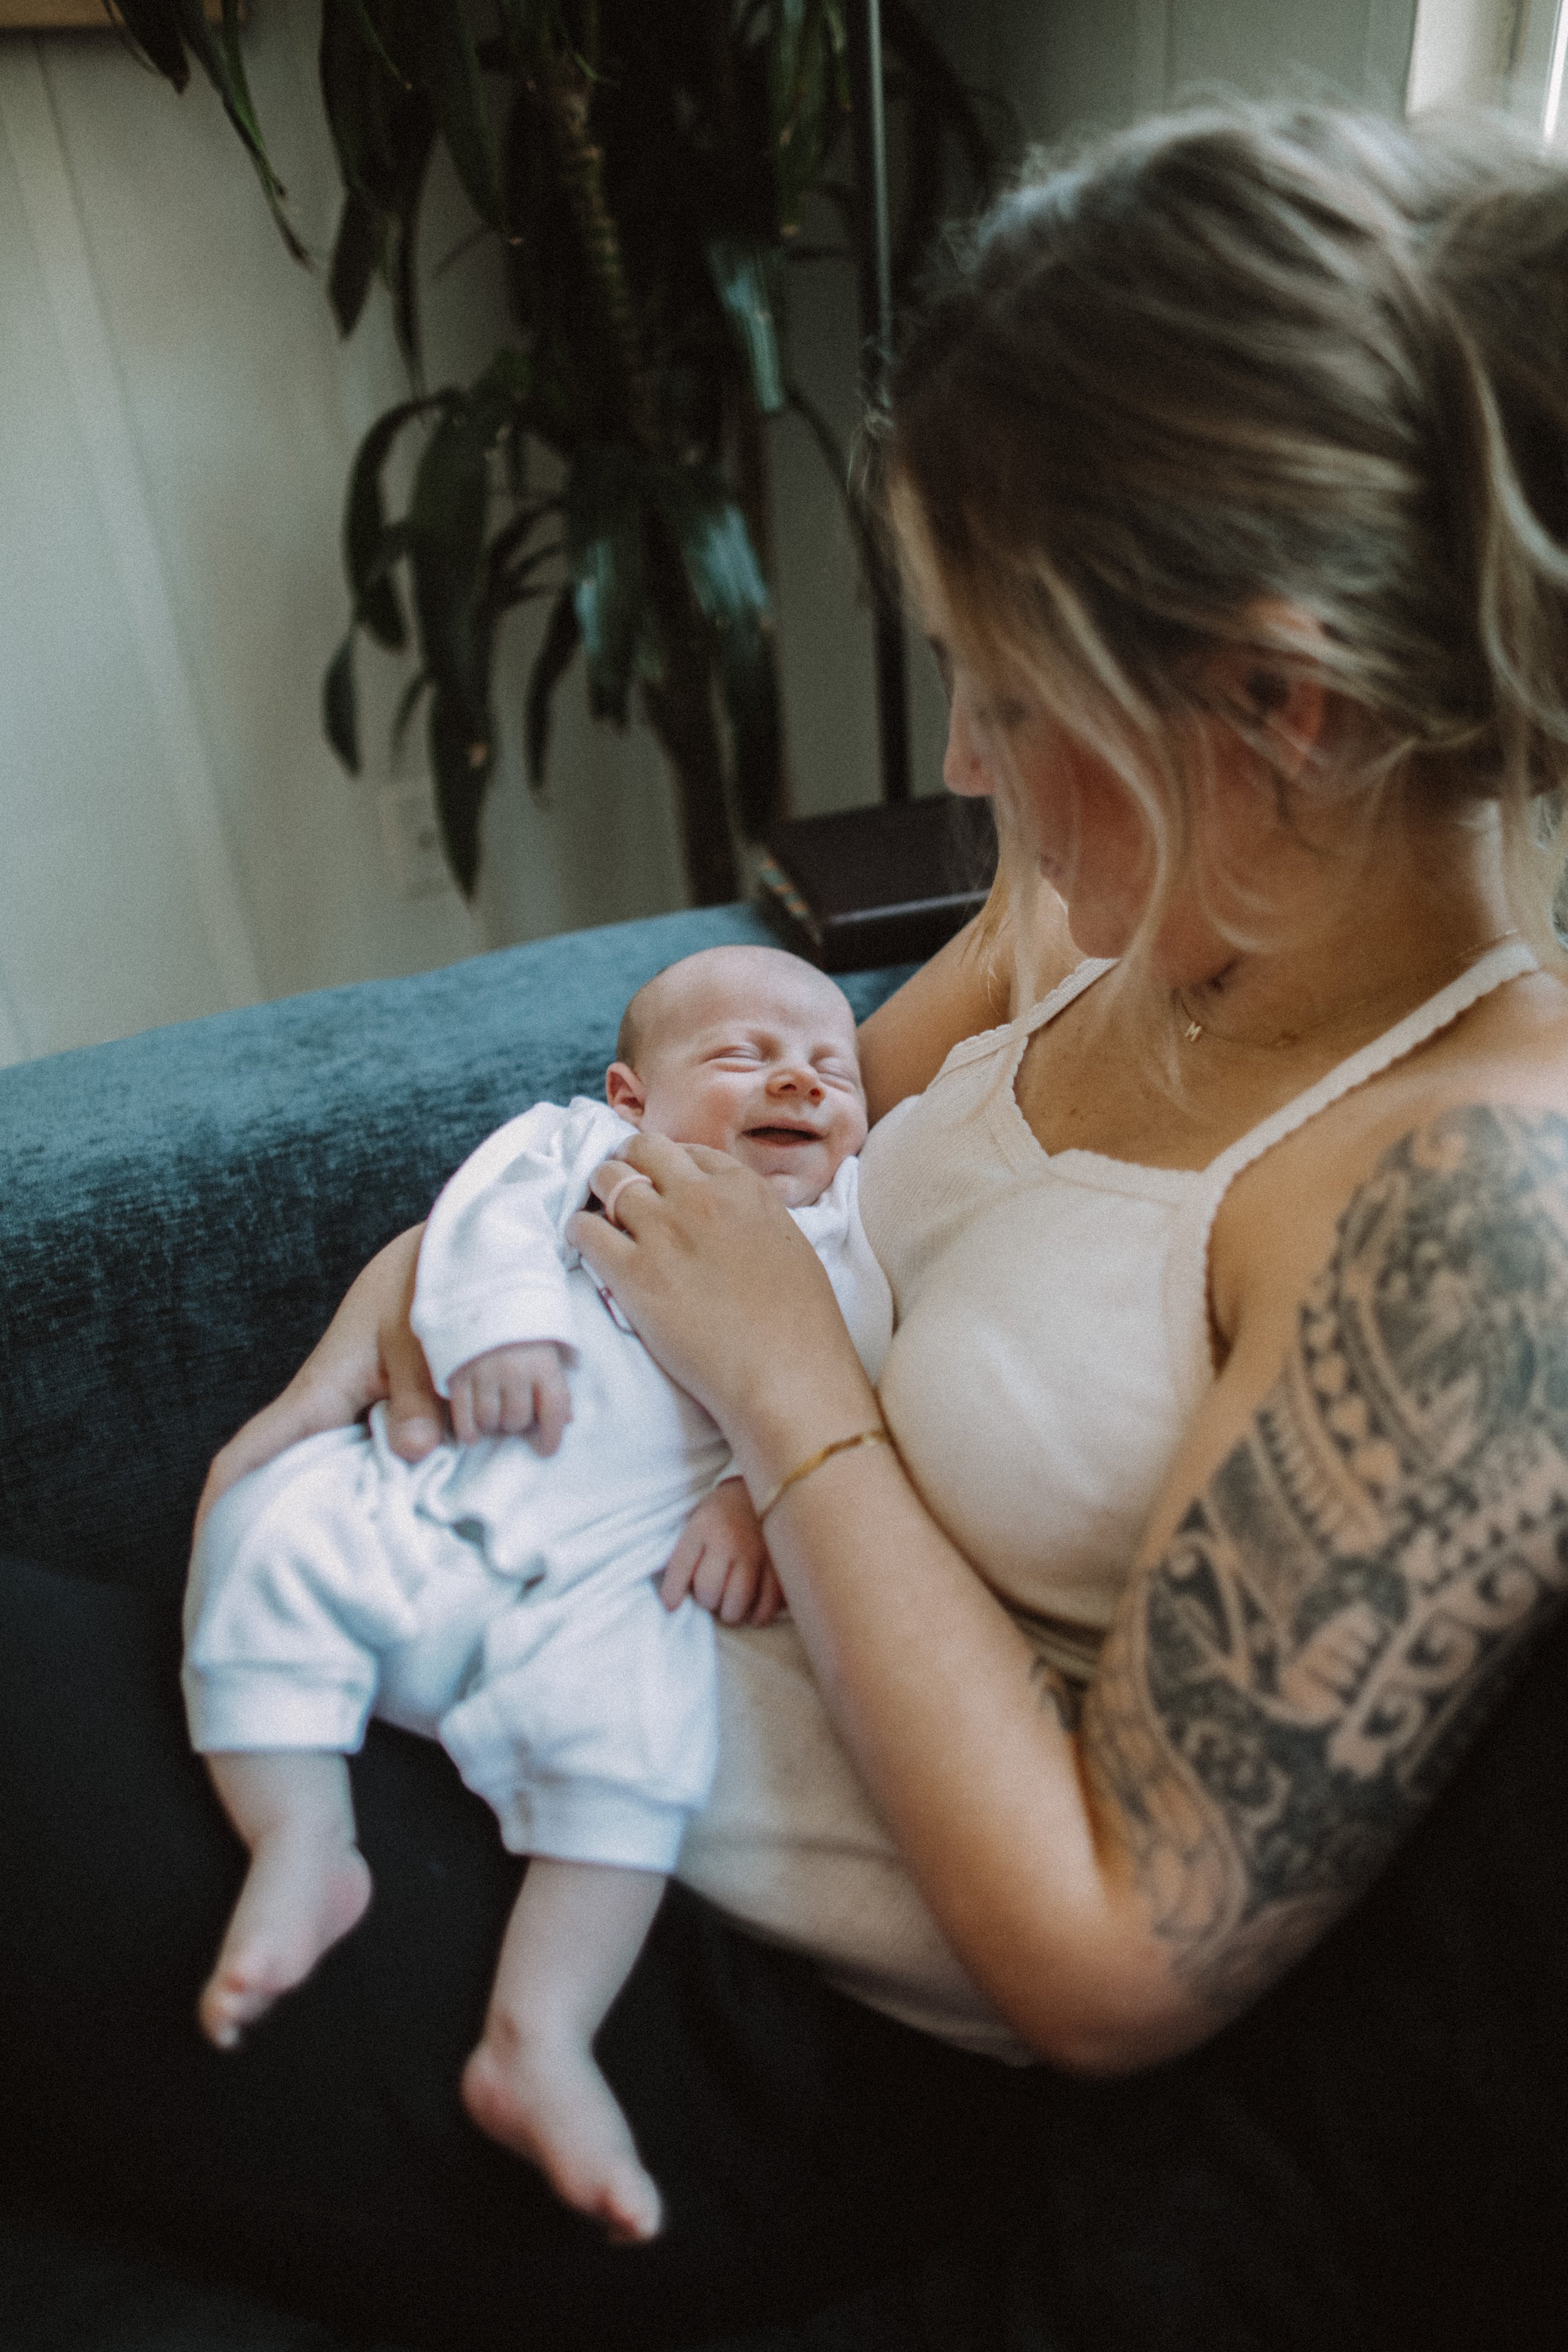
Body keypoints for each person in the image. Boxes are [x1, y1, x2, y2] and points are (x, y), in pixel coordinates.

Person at [6, 97, 1568, 2352]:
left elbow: (1108, 1955)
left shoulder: (1464, 1201)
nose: (953, 758)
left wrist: (795, 1395)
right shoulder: (1098, 916)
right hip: (534, 1618)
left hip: (737, 1988)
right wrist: (422, 1288)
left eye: (1015, 694)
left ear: (1277, 706)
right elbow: (716, 1140)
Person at [183, 943, 891, 2246]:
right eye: (742, 1055)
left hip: (609, 1575)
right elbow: (485, 1212)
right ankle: (301, 1837)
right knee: (264, 1517)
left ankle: (538, 2038)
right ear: (628, 1095)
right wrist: (498, 1321)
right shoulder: (576, 1152)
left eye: (830, 1068)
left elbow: (841, 1380)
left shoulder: (843, 1238)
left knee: (641, 1745)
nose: (797, 1074)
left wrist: (749, 1501)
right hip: (431, 1497)